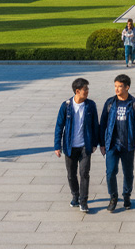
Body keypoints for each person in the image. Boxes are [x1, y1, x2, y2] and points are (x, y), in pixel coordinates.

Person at [99, 74, 135, 212]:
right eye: (115, 86)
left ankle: (126, 195)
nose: (117, 89)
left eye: (120, 86)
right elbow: (102, 124)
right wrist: (102, 143)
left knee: (128, 173)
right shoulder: (110, 103)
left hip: (128, 144)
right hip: (112, 144)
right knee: (110, 172)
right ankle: (113, 197)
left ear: (127, 87)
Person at [54, 77, 100, 212]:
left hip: (85, 146)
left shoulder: (90, 105)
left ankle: (83, 201)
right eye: (85, 89)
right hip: (70, 146)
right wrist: (57, 146)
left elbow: (95, 125)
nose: (87, 91)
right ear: (77, 91)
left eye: (87, 89)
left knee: (84, 173)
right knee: (71, 174)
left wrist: (95, 143)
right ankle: (75, 196)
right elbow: (59, 126)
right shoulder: (66, 106)